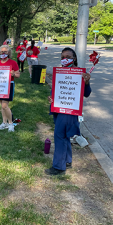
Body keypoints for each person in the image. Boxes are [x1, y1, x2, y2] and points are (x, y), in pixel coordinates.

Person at [45, 47, 91, 176]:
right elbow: (57, 89)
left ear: (74, 58)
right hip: (57, 108)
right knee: (64, 135)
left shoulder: (80, 73)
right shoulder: (60, 72)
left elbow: (86, 94)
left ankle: (59, 167)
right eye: (62, 57)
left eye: (68, 57)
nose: (65, 59)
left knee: (59, 135)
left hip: (69, 111)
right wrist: (51, 97)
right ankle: (67, 161)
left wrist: (86, 82)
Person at [0, 45, 20, 132]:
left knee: (4, 105)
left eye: (5, 52)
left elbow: (18, 74)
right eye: (1, 52)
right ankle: (4, 122)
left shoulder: (13, 63)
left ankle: (11, 124)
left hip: (8, 85)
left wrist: (13, 74)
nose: (3, 53)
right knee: (2, 106)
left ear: (9, 53)